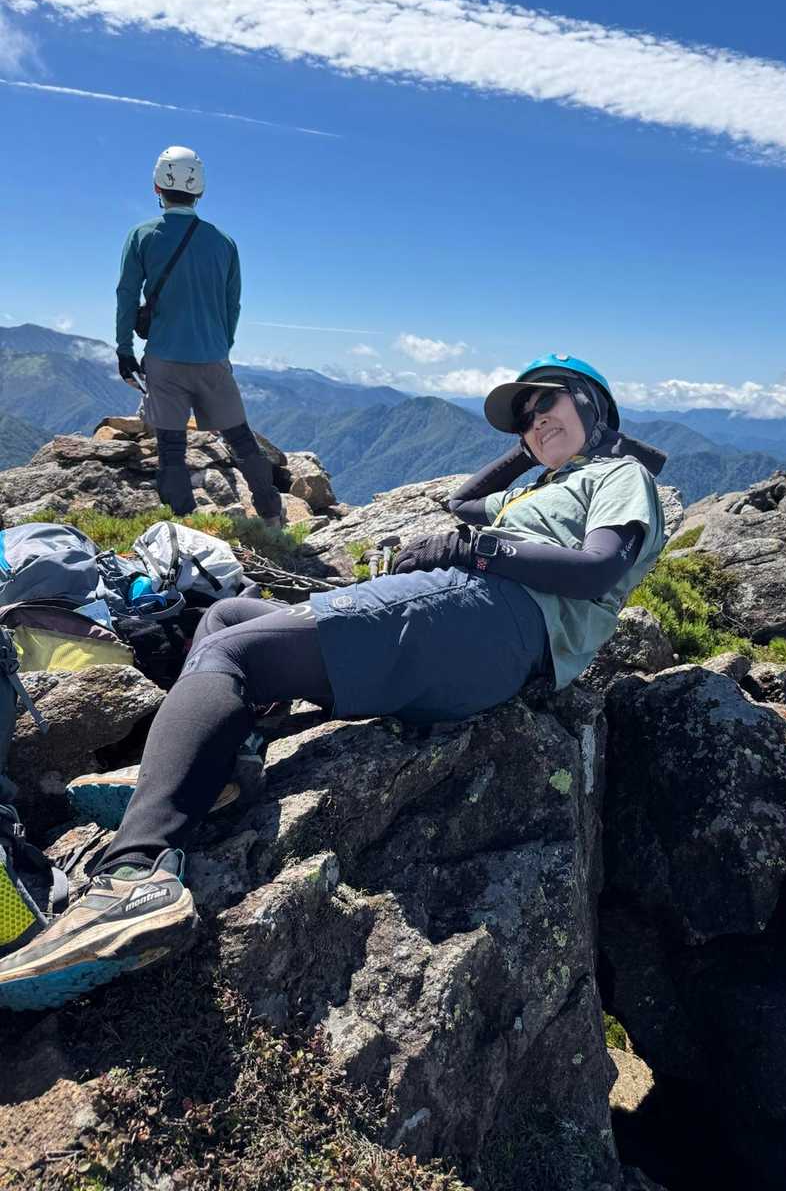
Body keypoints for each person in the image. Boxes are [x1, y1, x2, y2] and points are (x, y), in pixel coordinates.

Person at [0, 355, 667, 1011]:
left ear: (592, 405)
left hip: (495, 619)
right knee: (227, 616)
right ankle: (223, 763)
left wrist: (476, 548)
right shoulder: (545, 484)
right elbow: (463, 501)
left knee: (236, 655)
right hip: (467, 617)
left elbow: (598, 567)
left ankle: (135, 875)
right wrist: (529, 450)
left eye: (547, 401)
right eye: (523, 416)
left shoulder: (618, 474)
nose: (534, 419)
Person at [115, 146, 283, 526]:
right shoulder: (223, 242)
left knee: (171, 449)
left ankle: (186, 527)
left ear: (157, 187)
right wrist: (222, 346)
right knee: (241, 439)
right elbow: (232, 305)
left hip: (164, 359)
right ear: (200, 191)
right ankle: (272, 516)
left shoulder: (142, 236)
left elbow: (127, 294)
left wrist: (125, 349)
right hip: (212, 358)